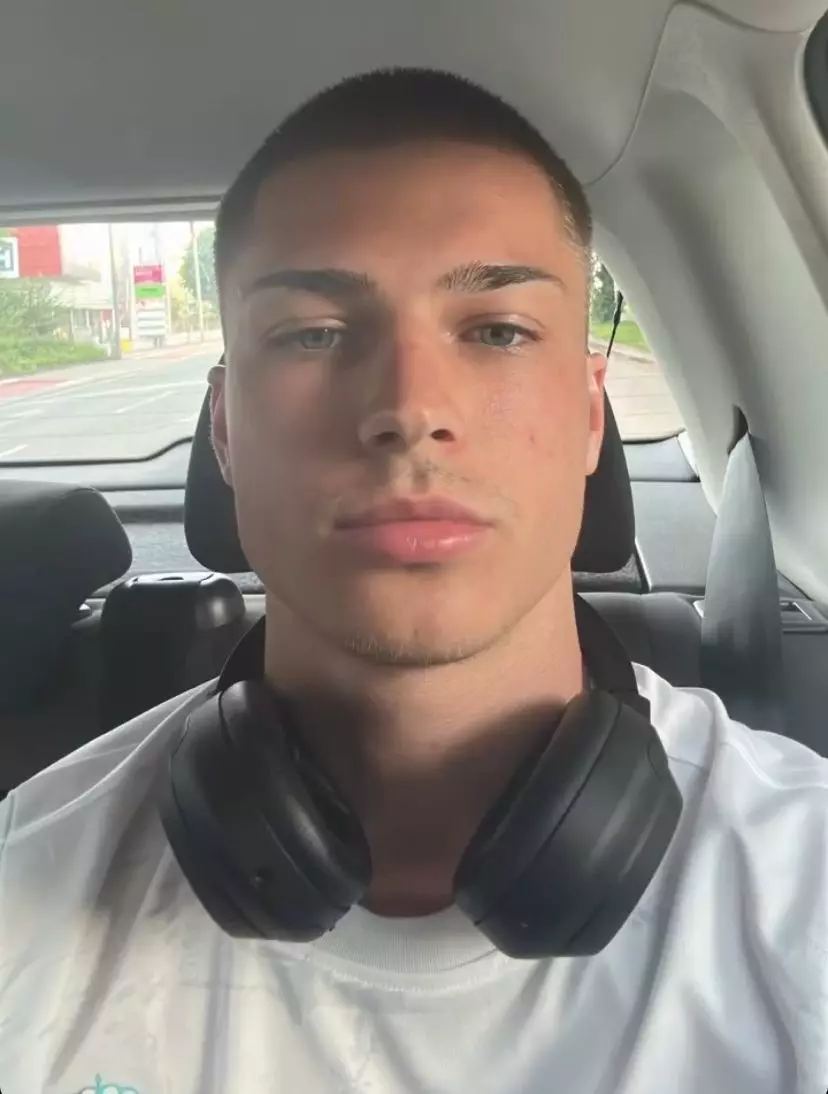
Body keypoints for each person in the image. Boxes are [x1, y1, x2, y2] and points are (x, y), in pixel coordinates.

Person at [0, 69, 826, 1094]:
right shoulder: (24, 897)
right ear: (225, 430)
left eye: (496, 330)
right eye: (312, 332)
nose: (409, 408)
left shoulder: (803, 891)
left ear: (589, 415)